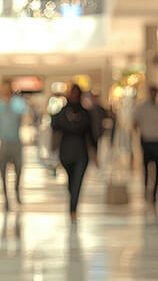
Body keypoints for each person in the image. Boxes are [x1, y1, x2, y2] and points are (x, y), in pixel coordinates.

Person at [52, 84, 96, 223]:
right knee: (71, 182)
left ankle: (73, 210)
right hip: (66, 153)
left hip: (81, 153)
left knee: (77, 182)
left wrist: (96, 153)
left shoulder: (85, 113)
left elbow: (91, 135)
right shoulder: (63, 112)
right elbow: (54, 126)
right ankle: (72, 205)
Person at [0, 82, 27, 209]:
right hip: (4, 142)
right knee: (2, 170)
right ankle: (5, 196)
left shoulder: (18, 103)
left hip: (16, 141)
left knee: (19, 169)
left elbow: (24, 112)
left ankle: (16, 191)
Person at [133, 85, 158, 203]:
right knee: (146, 167)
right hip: (146, 140)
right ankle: (145, 189)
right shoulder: (141, 108)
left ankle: (155, 192)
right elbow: (135, 123)